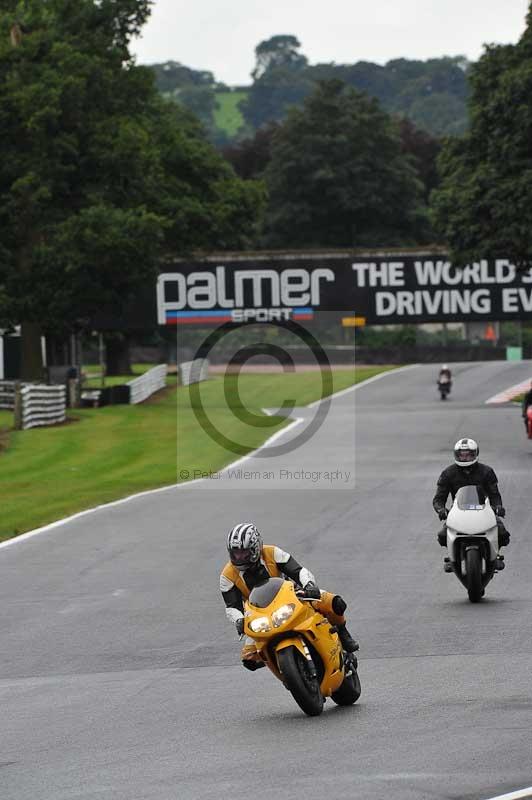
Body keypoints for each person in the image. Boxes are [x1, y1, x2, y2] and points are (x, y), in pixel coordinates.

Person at [220, 522, 359, 671]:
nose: (239, 557)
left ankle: (343, 634)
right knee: (249, 660)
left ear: (255, 548)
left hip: (292, 597)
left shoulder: (272, 552)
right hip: (259, 615)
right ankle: (282, 664)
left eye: (243, 552)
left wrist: (309, 586)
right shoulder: (227, 576)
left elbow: (298, 571)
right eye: (235, 553)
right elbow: (231, 607)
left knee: (335, 603)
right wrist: (239, 620)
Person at [432, 437, 510, 550]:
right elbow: (439, 498)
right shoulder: (448, 473)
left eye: (468, 455)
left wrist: (498, 507)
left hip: (484, 510)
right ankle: (452, 559)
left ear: (475, 454)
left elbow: (494, 494)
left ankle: (495, 555)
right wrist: (441, 510)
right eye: (462, 455)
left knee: (502, 534)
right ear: (456, 455)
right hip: (458, 512)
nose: (465, 458)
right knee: (442, 536)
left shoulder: (487, 471)